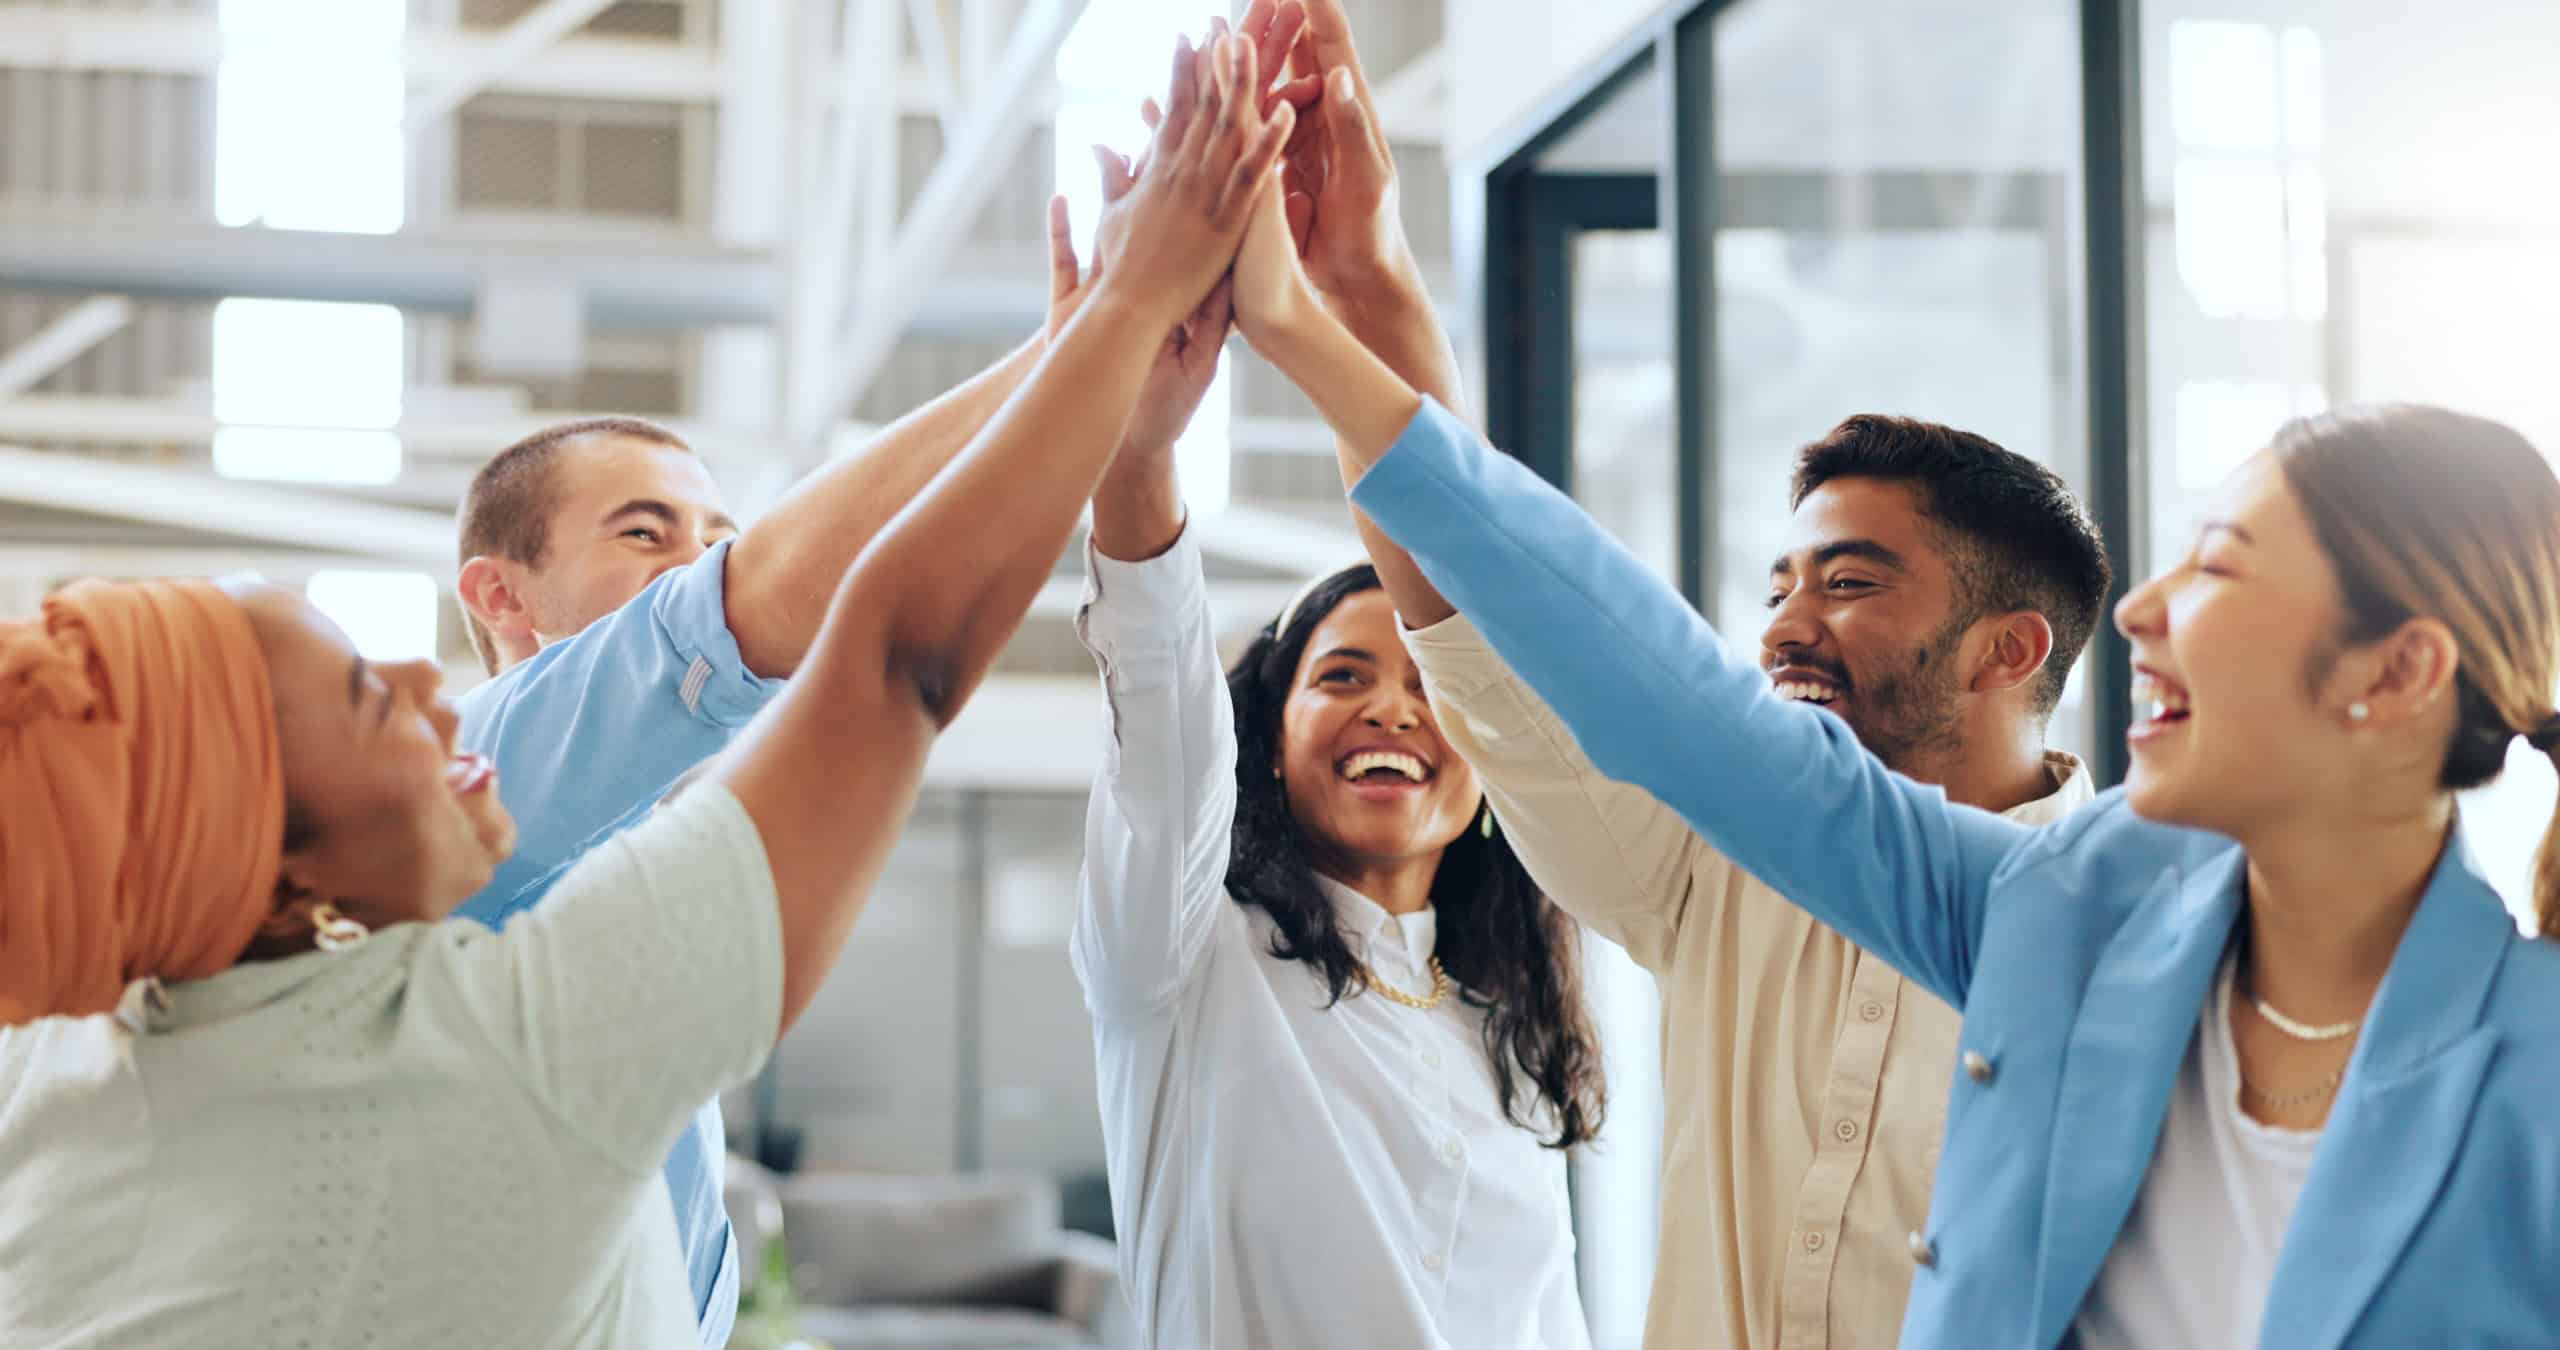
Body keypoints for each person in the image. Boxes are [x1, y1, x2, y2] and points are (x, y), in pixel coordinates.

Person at [0, 34, 1288, 1347]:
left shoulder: (59, 1069)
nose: (420, 689)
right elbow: (880, 648)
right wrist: (1112, 325)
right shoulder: (493, 1046)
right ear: (274, 859)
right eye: (364, 697)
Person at [1222, 157, 2560, 1343]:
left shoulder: (2523, 1072)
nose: (2148, 609)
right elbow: (1634, 678)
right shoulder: (2047, 914)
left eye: (2220, 569)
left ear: (2397, 670)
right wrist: (1328, 313)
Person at [432, 13, 1314, 1335]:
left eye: (711, 536)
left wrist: (1104, 349)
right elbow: (833, 627)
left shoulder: (634, 864)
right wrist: (1090, 339)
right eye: (643, 535)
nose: (692, 566)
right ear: (499, 595)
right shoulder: (474, 781)